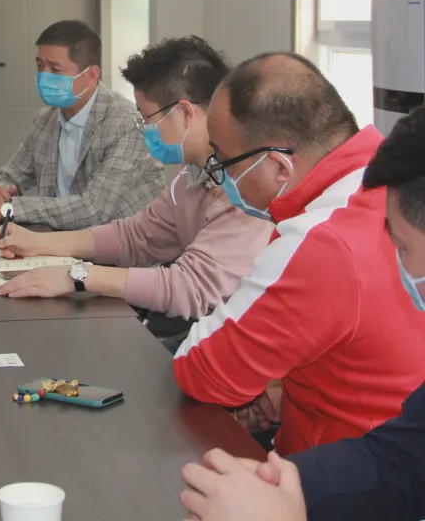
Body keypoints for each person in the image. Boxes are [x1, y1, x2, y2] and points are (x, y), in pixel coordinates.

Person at [179, 105, 425, 521]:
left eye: (401, 246)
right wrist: (277, 482)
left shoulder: (326, 239)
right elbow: (400, 458)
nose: (401, 267)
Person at [0, 37, 272, 322]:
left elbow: (190, 287)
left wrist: (77, 275)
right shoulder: (192, 174)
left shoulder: (244, 187)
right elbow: (136, 235)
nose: (144, 129)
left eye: (146, 118)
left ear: (185, 112)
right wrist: (38, 243)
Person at [0, 20, 163, 229]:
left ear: (91, 75)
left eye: (55, 69)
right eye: (40, 66)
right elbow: (9, 175)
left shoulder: (127, 122)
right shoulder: (45, 119)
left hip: (123, 246)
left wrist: (7, 208)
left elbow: (93, 209)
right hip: (61, 239)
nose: (44, 76)